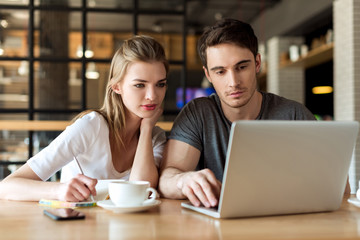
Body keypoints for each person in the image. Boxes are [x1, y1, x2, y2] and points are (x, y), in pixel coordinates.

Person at [158, 18, 318, 208]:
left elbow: (338, 184)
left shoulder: (294, 115)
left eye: (241, 67)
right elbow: (167, 178)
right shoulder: (198, 113)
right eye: (220, 72)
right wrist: (183, 181)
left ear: (257, 63)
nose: (233, 82)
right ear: (208, 75)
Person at [0, 35, 169, 202]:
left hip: (125, 228)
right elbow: (7, 187)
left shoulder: (155, 137)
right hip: (76, 226)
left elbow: (140, 190)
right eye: (140, 85)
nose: (152, 96)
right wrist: (59, 190)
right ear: (117, 87)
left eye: (160, 84)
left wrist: (146, 129)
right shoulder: (92, 126)